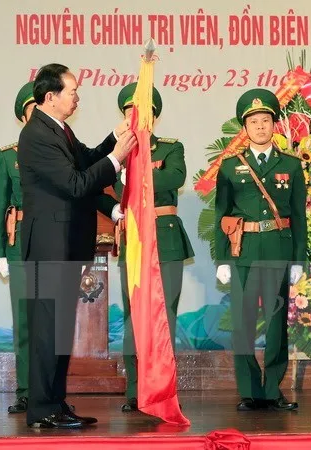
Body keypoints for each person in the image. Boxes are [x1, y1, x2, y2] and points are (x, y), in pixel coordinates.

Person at [17, 63, 136, 429]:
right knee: (46, 332)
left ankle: (54, 403)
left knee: (59, 331)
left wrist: (113, 139)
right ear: (50, 97)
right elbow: (75, 183)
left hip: (65, 246)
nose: (76, 97)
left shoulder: (58, 128)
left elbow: (84, 158)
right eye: (72, 91)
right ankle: (41, 409)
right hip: (50, 248)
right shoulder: (37, 134)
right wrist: (117, 159)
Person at [214, 89, 307, 412]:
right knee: (242, 322)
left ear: (274, 125)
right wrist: (222, 258)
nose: (260, 127)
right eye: (253, 122)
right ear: (245, 128)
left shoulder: (292, 167)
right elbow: (221, 214)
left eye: (265, 120)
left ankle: (272, 390)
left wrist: (298, 260)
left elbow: (298, 216)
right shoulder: (229, 167)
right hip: (244, 252)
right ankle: (250, 390)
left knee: (276, 321)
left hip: (278, 250)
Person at [112, 82, 194, 412]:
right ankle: (135, 389)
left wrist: (133, 172)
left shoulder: (171, 149)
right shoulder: (115, 151)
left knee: (164, 316)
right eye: (129, 111)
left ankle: (160, 387)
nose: (135, 116)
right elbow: (98, 184)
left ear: (154, 116)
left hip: (166, 238)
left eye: (142, 111)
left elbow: (172, 179)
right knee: (133, 318)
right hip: (133, 239)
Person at [0, 81, 35, 414]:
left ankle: (51, 391)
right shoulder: (9, 156)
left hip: (52, 245)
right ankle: (25, 390)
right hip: (20, 242)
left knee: (52, 322)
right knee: (24, 320)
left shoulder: (64, 151)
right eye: (32, 111)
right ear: (23, 116)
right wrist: (0, 252)